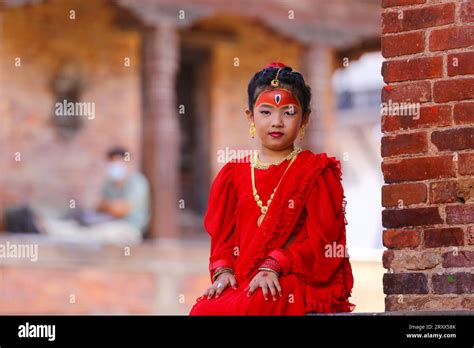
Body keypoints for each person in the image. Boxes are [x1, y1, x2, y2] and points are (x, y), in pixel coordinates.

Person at [189, 62, 355, 315]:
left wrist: (275, 264)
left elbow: (325, 241)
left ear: (305, 118)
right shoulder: (233, 174)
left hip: (291, 275)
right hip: (244, 280)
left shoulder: (315, 171)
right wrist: (223, 272)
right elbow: (223, 240)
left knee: (257, 303)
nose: (276, 122)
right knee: (203, 310)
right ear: (250, 116)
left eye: (288, 112)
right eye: (266, 112)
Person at [41, 146, 150, 245]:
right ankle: (47, 226)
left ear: (127, 162)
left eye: (118, 162)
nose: (114, 166)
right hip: (106, 223)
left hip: (127, 229)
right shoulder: (109, 184)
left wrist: (108, 207)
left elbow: (121, 210)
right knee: (80, 226)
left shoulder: (137, 182)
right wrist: (110, 207)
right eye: (111, 162)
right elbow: (99, 207)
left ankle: (50, 230)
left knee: (90, 235)